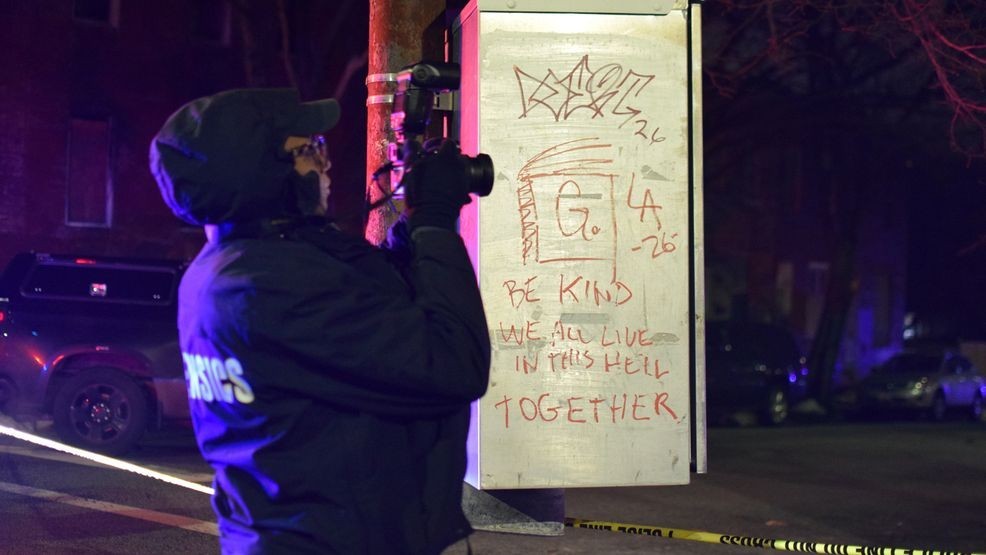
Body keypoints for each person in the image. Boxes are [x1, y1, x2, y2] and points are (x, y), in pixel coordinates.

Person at [149, 88, 491, 554]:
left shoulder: (230, 269)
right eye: (308, 150)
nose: (324, 164)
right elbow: (453, 359)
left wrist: (409, 234)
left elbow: (366, 315)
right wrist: (434, 221)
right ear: (265, 174)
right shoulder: (271, 284)